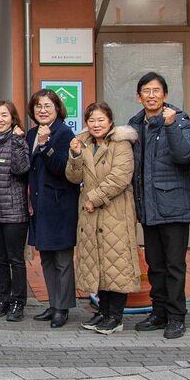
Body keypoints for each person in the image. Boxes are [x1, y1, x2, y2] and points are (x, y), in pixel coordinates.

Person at [128, 72, 190, 339]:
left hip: (174, 205)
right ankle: (159, 312)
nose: (152, 95)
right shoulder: (136, 124)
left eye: (157, 90)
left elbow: (184, 156)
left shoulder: (178, 120)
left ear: (165, 95)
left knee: (174, 264)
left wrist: (169, 126)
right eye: (146, 90)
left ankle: (177, 316)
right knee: (154, 263)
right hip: (149, 206)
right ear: (139, 96)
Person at [65, 102, 139, 335]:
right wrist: (75, 155)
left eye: (101, 120)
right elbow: (73, 176)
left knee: (115, 261)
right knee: (97, 260)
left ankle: (115, 316)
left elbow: (121, 177)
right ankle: (104, 310)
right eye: (92, 120)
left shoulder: (121, 143)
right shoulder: (83, 142)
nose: (96, 125)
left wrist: (94, 197)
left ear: (110, 121)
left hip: (114, 211)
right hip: (90, 214)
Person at [26, 88, 79, 328]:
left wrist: (46, 145)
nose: (42, 110)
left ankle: (63, 307)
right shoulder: (31, 133)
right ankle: (52, 302)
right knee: (46, 258)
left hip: (60, 205)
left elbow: (62, 168)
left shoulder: (64, 133)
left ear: (57, 108)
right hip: (39, 204)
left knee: (62, 259)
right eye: (38, 106)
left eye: (47, 106)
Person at [0, 100, 31, 321]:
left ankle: (18, 302)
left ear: (13, 118)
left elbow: (21, 169)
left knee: (15, 259)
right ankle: (2, 298)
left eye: (4, 115)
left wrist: (20, 141)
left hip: (14, 212)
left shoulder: (18, 140)